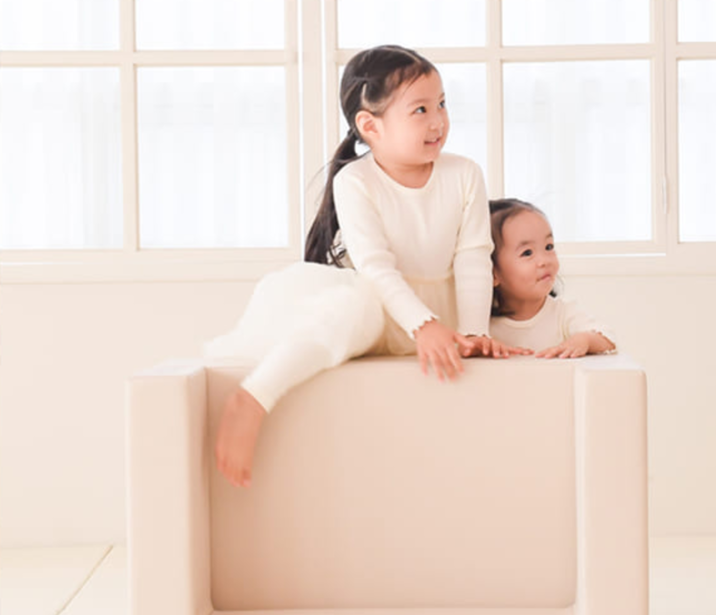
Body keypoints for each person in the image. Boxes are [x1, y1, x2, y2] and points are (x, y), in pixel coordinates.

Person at [205, 45, 508, 488]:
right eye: (420, 110)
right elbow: (376, 267)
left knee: (507, 322)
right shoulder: (356, 181)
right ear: (370, 126)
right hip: (382, 309)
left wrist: (475, 331)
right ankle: (254, 398)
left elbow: (473, 256)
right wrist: (421, 325)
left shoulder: (464, 173)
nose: (438, 121)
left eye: (442, 104)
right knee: (350, 305)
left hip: (443, 316)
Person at [460, 198, 616, 359]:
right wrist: (478, 348)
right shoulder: (480, 323)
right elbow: (459, 349)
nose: (544, 261)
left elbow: (608, 338)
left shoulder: (562, 314)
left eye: (549, 247)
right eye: (527, 253)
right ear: (491, 273)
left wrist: (584, 340)